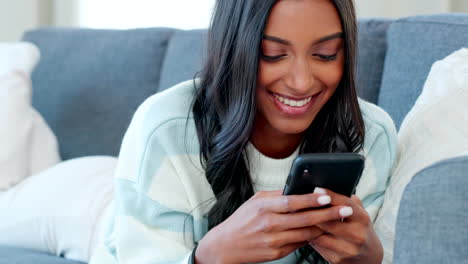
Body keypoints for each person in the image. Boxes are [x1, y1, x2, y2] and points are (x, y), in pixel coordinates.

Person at [0, 0, 397, 263]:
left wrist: (369, 259)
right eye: (272, 54)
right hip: (98, 209)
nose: (300, 81)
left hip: (149, 183)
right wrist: (206, 256)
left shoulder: (370, 133)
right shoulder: (166, 127)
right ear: (235, 49)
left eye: (325, 54)